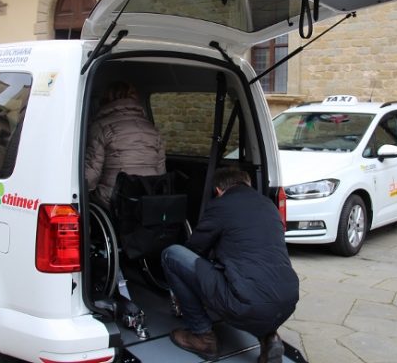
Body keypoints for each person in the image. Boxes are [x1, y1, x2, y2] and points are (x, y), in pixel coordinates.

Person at [161, 167, 300, 363]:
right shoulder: (269, 205)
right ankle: (270, 338)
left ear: (218, 190)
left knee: (172, 255)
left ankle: (203, 336)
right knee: (261, 281)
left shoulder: (222, 205)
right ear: (247, 184)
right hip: (288, 301)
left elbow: (195, 248)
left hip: (245, 303)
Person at [85, 81, 166, 210]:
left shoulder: (100, 127)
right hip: (148, 198)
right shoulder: (153, 130)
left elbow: (91, 176)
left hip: (115, 198)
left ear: (106, 99)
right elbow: (161, 171)